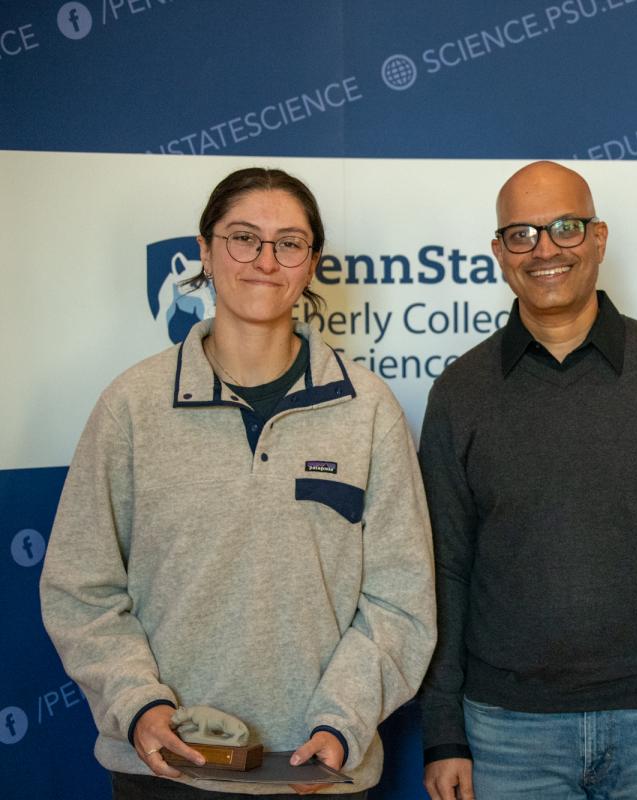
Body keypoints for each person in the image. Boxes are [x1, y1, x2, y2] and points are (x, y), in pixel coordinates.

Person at [40, 167, 437, 798]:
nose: (265, 261)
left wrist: (342, 721)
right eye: (244, 238)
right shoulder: (132, 406)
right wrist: (139, 705)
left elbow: (401, 601)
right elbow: (79, 587)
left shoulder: (368, 410)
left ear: (312, 264)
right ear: (205, 250)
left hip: (317, 773)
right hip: (166, 771)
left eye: (289, 244)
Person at [419, 161, 637, 800]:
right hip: (506, 731)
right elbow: (445, 570)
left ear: (598, 238)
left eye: (566, 227)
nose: (545, 249)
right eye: (522, 234)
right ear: (499, 253)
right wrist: (443, 732)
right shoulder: (460, 392)